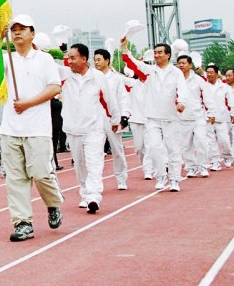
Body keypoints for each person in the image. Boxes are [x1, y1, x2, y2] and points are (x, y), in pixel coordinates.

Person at [0, 14, 64, 240]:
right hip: (10, 128)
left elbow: (55, 87)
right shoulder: (6, 58)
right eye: (14, 29)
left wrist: (28, 103)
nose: (17, 32)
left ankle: (53, 203)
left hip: (37, 128)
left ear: (32, 33)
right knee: (15, 179)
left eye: (22, 29)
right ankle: (23, 223)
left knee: (40, 173)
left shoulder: (44, 59)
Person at [121, 38, 188, 192]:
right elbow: (132, 63)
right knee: (154, 148)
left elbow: (182, 90)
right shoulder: (150, 71)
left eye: (160, 53)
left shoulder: (176, 72)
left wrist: (181, 102)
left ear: (168, 55)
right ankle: (160, 176)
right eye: (155, 53)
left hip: (171, 117)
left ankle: (175, 179)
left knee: (173, 149)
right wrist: (125, 48)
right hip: (152, 117)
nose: (156, 55)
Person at [61, 43, 120, 214]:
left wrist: (115, 119)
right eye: (68, 57)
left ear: (84, 59)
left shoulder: (97, 77)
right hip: (73, 129)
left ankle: (93, 196)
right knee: (80, 166)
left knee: (94, 164)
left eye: (73, 57)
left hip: (94, 129)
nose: (69, 61)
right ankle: (85, 193)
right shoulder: (65, 75)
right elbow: (47, 64)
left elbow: (108, 99)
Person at [93, 48, 130, 190]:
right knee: (95, 152)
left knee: (117, 150)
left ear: (107, 61)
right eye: (95, 60)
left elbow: (123, 98)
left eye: (99, 59)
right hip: (96, 120)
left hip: (112, 118)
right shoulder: (92, 77)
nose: (96, 62)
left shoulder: (116, 79)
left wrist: (124, 115)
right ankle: (95, 184)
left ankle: (121, 178)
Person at [176, 54, 211, 177]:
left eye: (184, 63)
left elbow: (206, 97)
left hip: (198, 116)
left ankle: (203, 166)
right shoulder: (175, 80)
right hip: (182, 118)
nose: (181, 65)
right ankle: (191, 167)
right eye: (179, 63)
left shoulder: (198, 80)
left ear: (190, 65)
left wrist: (211, 112)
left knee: (201, 141)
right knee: (185, 145)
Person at [204, 64, 233, 171]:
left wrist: (233, 113)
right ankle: (215, 161)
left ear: (217, 74)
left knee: (224, 140)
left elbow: (230, 101)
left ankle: (227, 156)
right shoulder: (203, 86)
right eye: (207, 72)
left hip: (221, 117)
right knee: (210, 141)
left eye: (211, 72)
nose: (209, 74)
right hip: (207, 118)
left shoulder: (225, 87)